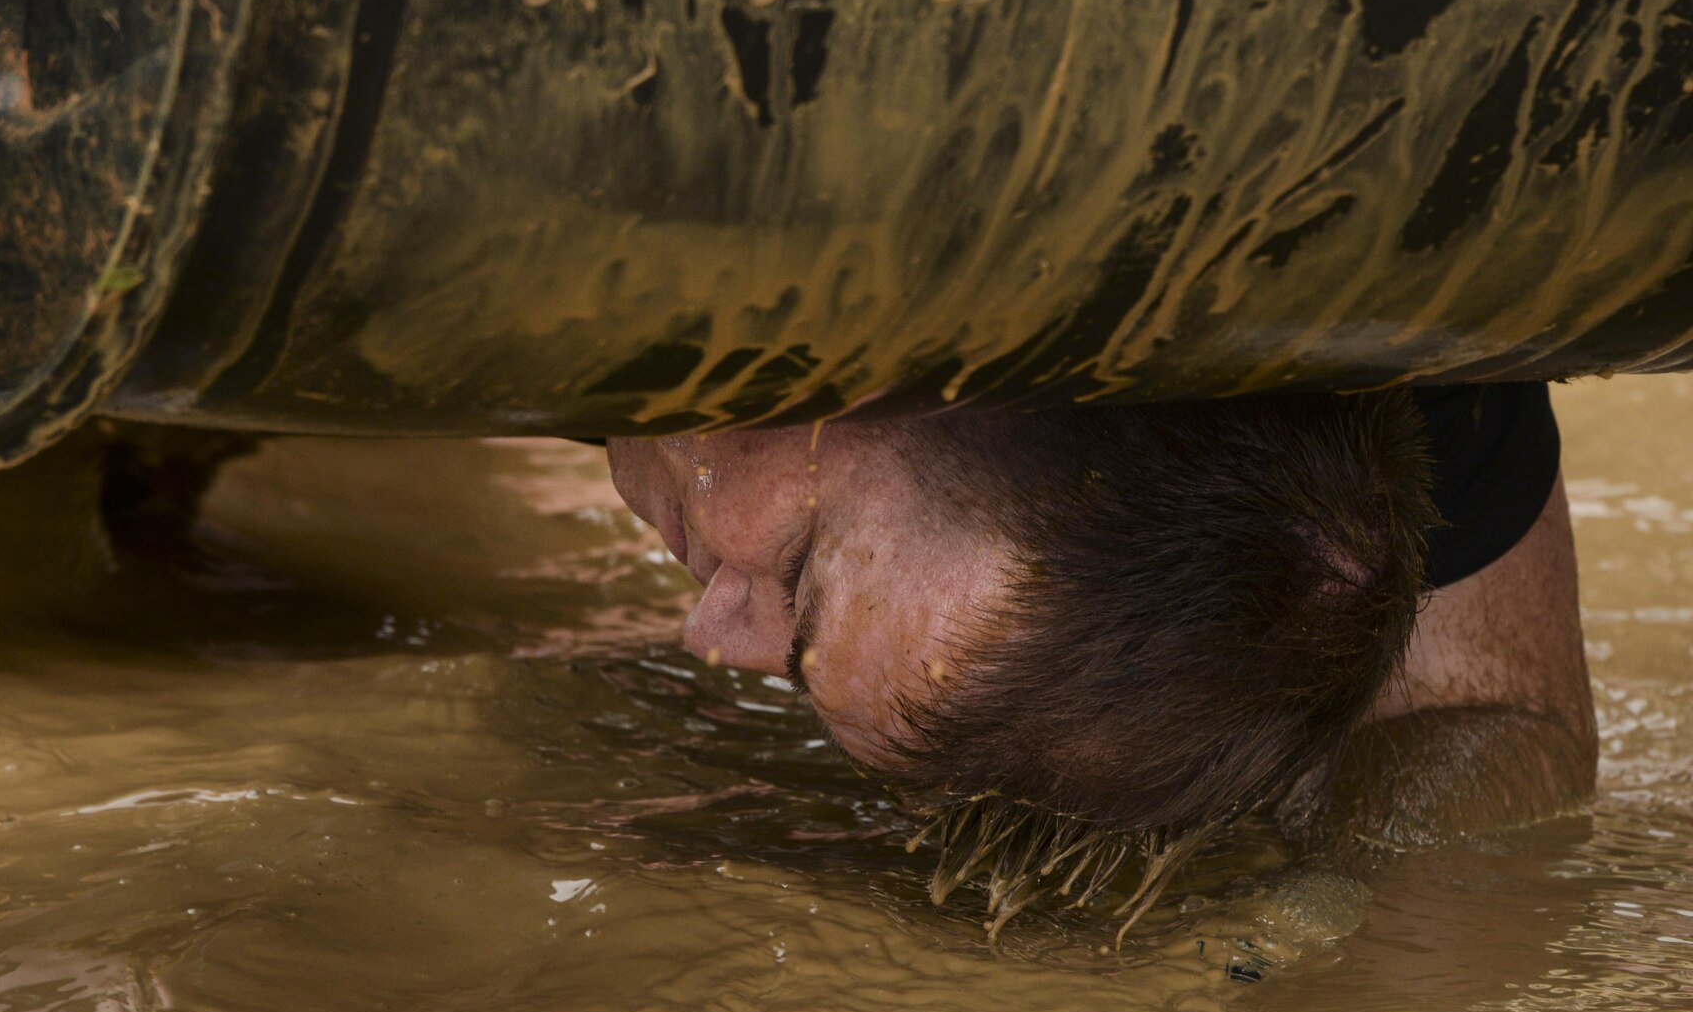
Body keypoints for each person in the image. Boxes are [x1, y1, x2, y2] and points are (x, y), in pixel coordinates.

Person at [605, 384, 1595, 924]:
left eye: (793, 669)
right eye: (804, 564)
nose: (705, 632)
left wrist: (1298, 925)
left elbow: (1481, 724)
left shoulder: (1420, 396)